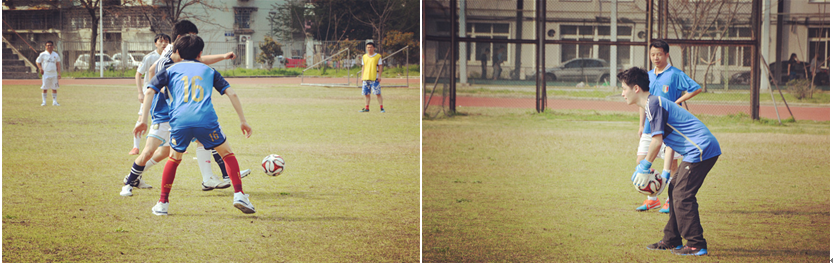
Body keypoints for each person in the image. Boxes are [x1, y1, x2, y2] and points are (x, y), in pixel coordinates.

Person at [139, 34, 254, 215]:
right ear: (200, 54)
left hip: (179, 121)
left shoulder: (169, 70)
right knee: (227, 154)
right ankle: (239, 194)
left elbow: (149, 92)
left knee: (174, 158)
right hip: (206, 121)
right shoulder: (208, 70)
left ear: (176, 51)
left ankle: (162, 203)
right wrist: (243, 121)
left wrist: (143, 121)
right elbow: (231, 93)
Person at [619, 67, 721, 256]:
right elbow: (667, 139)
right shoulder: (653, 104)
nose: (622, 93)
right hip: (696, 150)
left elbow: (657, 141)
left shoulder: (653, 104)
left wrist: (645, 166)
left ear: (635, 88)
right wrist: (666, 173)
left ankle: (696, 244)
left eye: (624, 88)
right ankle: (672, 239)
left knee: (683, 194)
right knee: (675, 189)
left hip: (701, 149)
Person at [635, 39, 701, 213]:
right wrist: (641, 125)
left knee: (672, 165)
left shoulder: (675, 74)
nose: (655, 58)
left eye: (659, 54)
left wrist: (678, 101)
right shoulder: (647, 76)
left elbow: (695, 88)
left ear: (666, 55)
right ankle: (652, 198)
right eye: (652, 54)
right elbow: (643, 102)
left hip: (668, 127)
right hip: (650, 127)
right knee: (642, 160)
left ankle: (671, 200)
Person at [129, 33, 171, 155]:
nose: (164, 43)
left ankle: (173, 145)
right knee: (142, 117)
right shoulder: (149, 57)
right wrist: (140, 92)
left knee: (169, 117)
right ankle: (135, 147)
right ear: (155, 43)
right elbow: (138, 74)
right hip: (151, 92)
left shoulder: (171, 57)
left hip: (164, 93)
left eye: (166, 41)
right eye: (161, 41)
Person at [359, 42, 384, 113]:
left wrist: (379, 76)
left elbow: (380, 66)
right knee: (366, 94)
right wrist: (362, 76)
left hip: (374, 78)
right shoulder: (364, 56)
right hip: (366, 78)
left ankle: (381, 107)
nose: (369, 49)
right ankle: (366, 108)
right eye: (368, 47)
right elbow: (363, 67)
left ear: (374, 48)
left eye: (370, 47)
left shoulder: (377, 56)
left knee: (377, 93)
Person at [35, 41, 61, 106]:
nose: (49, 47)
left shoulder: (56, 55)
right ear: (45, 46)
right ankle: (44, 102)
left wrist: (59, 73)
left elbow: (58, 64)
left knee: (54, 88)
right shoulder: (42, 54)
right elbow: (37, 62)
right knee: (44, 88)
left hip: (54, 74)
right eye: (48, 45)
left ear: (53, 47)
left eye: (50, 45)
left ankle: (54, 102)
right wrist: (40, 68)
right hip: (46, 74)